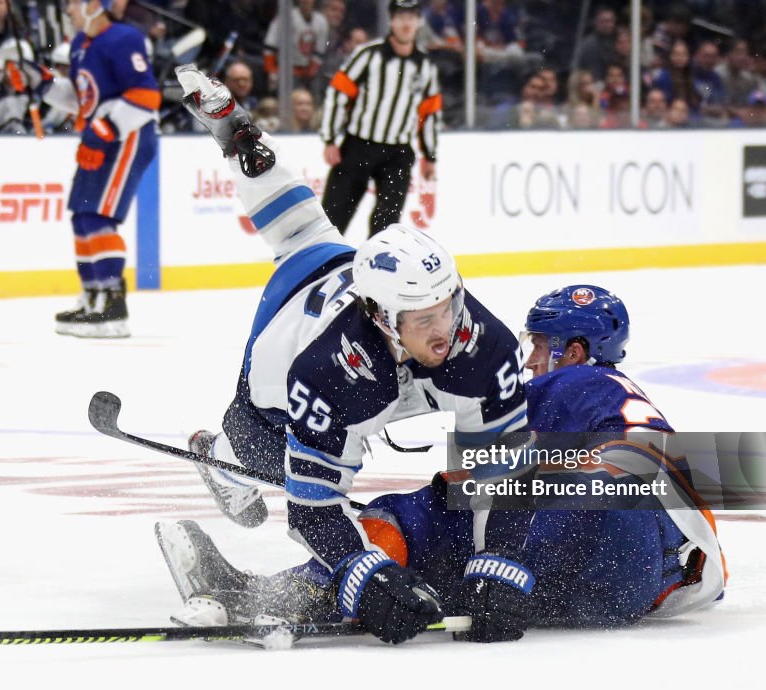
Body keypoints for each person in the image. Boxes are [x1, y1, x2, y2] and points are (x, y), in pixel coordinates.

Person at [164, 64, 529, 644]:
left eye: (450, 306)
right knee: (266, 454)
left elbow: (503, 470)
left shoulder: (482, 344)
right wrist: (363, 571)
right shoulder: (326, 372)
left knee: (304, 227)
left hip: (331, 265)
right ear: (383, 318)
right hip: (283, 357)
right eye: (425, 319)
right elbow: (314, 507)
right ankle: (222, 459)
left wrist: (503, 561)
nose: (447, 331)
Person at [161, 282, 726, 644]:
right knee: (465, 546)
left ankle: (275, 595)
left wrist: (452, 487)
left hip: (603, 540)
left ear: (572, 351)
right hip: (634, 585)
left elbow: (550, 466)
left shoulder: (575, 380)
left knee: (422, 515)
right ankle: (416, 589)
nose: (530, 359)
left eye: (538, 346)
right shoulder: (614, 395)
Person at [19, 0, 160, 338]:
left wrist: (106, 130)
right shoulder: (82, 45)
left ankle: (113, 305)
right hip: (100, 135)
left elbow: (146, 95)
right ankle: (93, 296)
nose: (67, 10)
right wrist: (41, 82)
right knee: (82, 215)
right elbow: (81, 99)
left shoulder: (124, 38)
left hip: (127, 136)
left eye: (73, 4)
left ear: (96, 5)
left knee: (99, 217)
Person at [320, 0, 441, 238]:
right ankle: (321, 266)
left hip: (398, 153)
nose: (406, 23)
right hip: (358, 147)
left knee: (387, 224)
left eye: (411, 17)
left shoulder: (425, 65)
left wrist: (430, 155)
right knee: (334, 215)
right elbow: (338, 93)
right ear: (391, 21)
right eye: (401, 17)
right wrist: (330, 139)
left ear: (419, 22)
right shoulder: (368, 55)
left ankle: (376, 270)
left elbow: (430, 113)